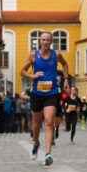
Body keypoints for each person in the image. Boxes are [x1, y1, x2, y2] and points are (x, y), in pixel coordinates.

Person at [21, 32, 69, 164]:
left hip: (51, 93)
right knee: (36, 124)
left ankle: (48, 154)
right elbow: (22, 71)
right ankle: (36, 142)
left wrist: (66, 79)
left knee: (48, 121)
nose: (46, 42)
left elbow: (65, 65)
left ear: (51, 42)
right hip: (37, 93)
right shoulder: (33, 55)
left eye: (48, 40)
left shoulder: (57, 55)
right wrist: (32, 76)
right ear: (40, 41)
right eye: (43, 40)